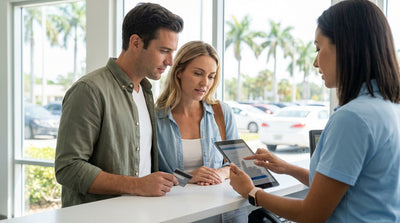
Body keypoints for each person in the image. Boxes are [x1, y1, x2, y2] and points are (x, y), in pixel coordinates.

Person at [229, 0, 400, 222]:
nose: (314, 62)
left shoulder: (353, 118)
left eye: (319, 49)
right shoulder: (390, 108)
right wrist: (288, 168)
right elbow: (348, 187)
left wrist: (251, 192)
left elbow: (311, 214)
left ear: (347, 46)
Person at [55, 3, 183, 207]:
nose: (170, 61)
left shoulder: (146, 92)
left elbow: (142, 168)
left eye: (172, 52)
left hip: (141, 214)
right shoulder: (89, 90)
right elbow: (68, 168)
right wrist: (138, 185)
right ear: (135, 42)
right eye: (164, 50)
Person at [156, 40, 247, 222]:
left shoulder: (222, 112)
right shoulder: (156, 118)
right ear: (179, 72)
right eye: (198, 73)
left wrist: (220, 174)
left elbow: (239, 163)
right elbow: (150, 174)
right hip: (177, 214)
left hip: (223, 214)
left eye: (211, 76)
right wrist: (188, 177)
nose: (205, 83)